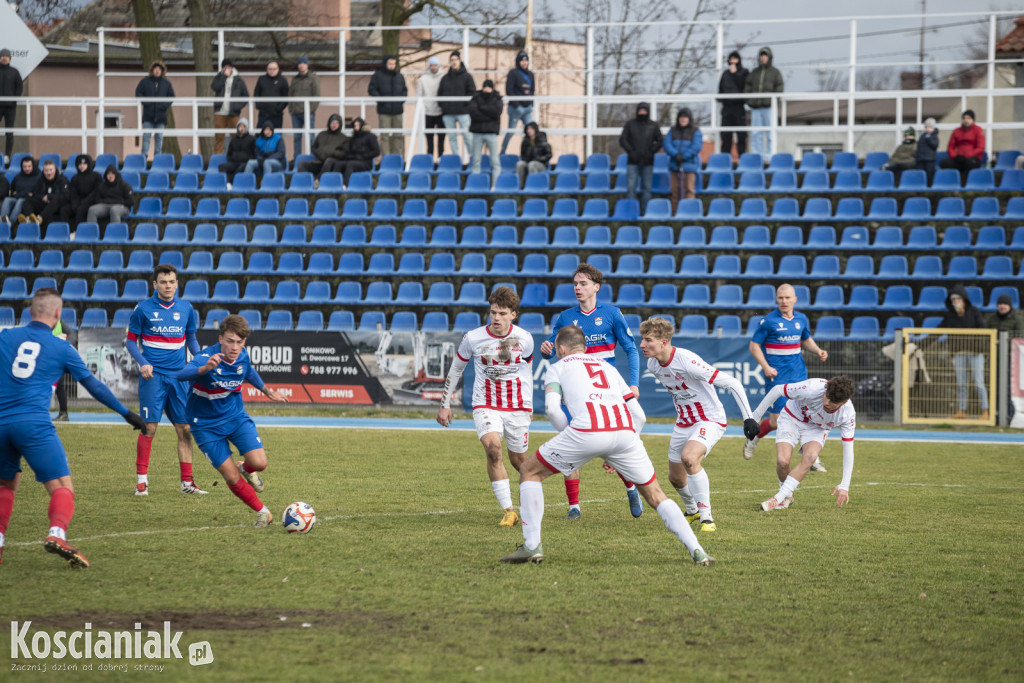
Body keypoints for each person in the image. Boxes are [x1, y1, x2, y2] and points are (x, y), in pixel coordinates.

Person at [501, 325, 714, 566]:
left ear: (561, 349)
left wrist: (570, 439)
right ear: (584, 347)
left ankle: (531, 546)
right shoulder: (608, 368)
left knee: (529, 471)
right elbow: (639, 414)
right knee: (656, 495)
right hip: (625, 433)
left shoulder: (557, 368)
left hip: (586, 430)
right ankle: (698, 550)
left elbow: (552, 409)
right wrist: (624, 445)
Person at [0, 289, 145, 568]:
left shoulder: (5, 337)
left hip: (1, 422)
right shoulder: (61, 347)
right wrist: (127, 414)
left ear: (30, 312)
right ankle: (57, 533)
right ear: (57, 315)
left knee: (6, 484)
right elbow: (95, 386)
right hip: (33, 425)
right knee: (63, 488)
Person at [540, 264, 642, 519]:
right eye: (575, 283)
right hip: (575, 393)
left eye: (583, 283)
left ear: (597, 287)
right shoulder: (565, 317)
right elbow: (553, 349)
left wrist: (634, 383)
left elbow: (631, 349)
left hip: (605, 391)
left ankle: (630, 486)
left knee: (616, 446)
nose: (577, 288)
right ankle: (574, 506)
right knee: (569, 443)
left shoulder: (612, 314)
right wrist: (545, 349)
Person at [638, 316, 756, 533]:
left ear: (664, 342)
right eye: (642, 339)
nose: (642, 345)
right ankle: (691, 510)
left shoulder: (687, 361)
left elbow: (733, 383)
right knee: (675, 477)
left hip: (710, 419)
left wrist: (748, 417)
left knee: (690, 459)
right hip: (683, 423)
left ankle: (707, 518)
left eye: (648, 340)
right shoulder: (653, 364)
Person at [176, 315, 288, 528]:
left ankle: (246, 468)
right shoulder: (207, 357)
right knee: (229, 474)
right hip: (205, 425)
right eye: (229, 341)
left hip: (235, 417)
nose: (234, 347)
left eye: (239, 342)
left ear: (244, 342)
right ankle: (263, 512)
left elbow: (248, 371)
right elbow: (182, 374)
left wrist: (266, 390)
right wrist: (204, 369)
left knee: (260, 463)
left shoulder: (242, 356)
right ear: (220, 339)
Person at [436, 287, 534, 527]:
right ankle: (509, 510)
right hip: (486, 403)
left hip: (517, 406)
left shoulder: (525, 338)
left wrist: (527, 405)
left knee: (520, 462)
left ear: (514, 314)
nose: (496, 318)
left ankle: (530, 507)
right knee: (493, 450)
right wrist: (444, 404)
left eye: (502, 313)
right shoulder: (473, 338)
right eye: (493, 313)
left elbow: (527, 371)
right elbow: (456, 369)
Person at [125, 263, 205, 496]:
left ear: (177, 284)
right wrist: (143, 362)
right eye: (163, 282)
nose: (168, 286)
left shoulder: (186, 308)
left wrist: (199, 358)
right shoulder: (142, 309)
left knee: (185, 429)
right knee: (149, 427)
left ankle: (187, 483)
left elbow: (190, 338)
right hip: (154, 377)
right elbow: (131, 341)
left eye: (172, 282)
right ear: (155, 284)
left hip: (180, 377)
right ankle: (142, 482)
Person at [744, 284, 829, 470]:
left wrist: (818, 351)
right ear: (776, 299)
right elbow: (754, 346)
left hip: (799, 374)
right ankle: (754, 438)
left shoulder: (801, 318)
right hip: (778, 377)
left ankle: (811, 457)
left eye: (787, 298)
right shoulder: (768, 321)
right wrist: (766, 367)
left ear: (795, 299)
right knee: (776, 421)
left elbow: (806, 339)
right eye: (781, 297)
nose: (784, 301)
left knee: (807, 414)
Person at [748, 376, 856, 512]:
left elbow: (848, 450)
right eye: (827, 396)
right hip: (791, 417)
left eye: (833, 401)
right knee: (783, 462)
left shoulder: (848, 414)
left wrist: (844, 485)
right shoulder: (813, 387)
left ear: (844, 402)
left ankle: (778, 498)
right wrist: (754, 417)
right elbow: (777, 390)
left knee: (811, 457)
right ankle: (787, 496)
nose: (827, 402)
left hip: (816, 428)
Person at [940, 285, 988, 420]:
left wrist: (982, 349)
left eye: (957, 298)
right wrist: (922, 344)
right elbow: (937, 330)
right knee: (961, 383)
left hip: (975, 353)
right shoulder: (949, 315)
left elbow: (983, 330)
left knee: (978, 382)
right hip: (959, 353)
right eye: (953, 299)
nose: (955, 301)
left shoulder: (974, 311)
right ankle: (961, 411)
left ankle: (985, 410)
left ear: (964, 299)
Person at [619, 102, 663, 214]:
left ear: (648, 112)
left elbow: (659, 140)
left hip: (648, 162)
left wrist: (651, 152)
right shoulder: (630, 124)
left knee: (647, 189)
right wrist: (631, 151)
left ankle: (645, 213)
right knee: (631, 189)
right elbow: (623, 139)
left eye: (644, 111)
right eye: (640, 110)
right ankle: (631, 212)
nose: (642, 113)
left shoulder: (653, 125)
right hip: (632, 161)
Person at [744, 47, 783, 162]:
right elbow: (747, 87)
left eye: (765, 56)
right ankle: (758, 156)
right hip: (756, 108)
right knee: (756, 133)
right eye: (762, 56)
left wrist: (772, 101)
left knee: (771, 132)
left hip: (769, 107)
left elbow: (779, 87)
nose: (763, 58)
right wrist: (750, 101)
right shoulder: (754, 73)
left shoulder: (775, 73)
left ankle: (770, 156)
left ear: (769, 57)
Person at [662, 107, 702, 212]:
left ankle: (689, 214)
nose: (683, 120)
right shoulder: (672, 131)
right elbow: (667, 144)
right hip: (674, 165)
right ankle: (675, 214)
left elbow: (696, 146)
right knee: (674, 192)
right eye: (681, 117)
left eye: (685, 118)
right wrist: (676, 155)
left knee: (689, 190)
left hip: (689, 166)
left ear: (689, 119)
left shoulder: (695, 131)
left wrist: (684, 156)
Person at [438, 51, 476, 161]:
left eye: (455, 60)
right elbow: (440, 94)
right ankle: (456, 159)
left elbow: (472, 93)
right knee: (452, 138)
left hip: (463, 112)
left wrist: (465, 105)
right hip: (448, 113)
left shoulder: (467, 77)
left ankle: (473, 159)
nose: (454, 62)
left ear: (460, 61)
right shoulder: (445, 78)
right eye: (452, 60)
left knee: (468, 136)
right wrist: (444, 106)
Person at [368, 55, 407, 157]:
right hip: (384, 110)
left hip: (398, 110)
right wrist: (381, 101)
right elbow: (372, 89)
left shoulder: (399, 76)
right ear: (385, 64)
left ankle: (398, 158)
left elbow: (404, 90)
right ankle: (386, 158)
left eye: (394, 64)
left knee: (398, 135)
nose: (392, 66)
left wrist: (401, 101)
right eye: (390, 64)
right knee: (384, 136)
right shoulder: (377, 75)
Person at [134, 61, 175, 158]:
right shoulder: (145, 82)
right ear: (152, 70)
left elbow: (171, 97)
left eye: (159, 69)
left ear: (162, 71)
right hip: (148, 115)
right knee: (146, 136)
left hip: (161, 116)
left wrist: (164, 106)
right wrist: (146, 103)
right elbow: (138, 93)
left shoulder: (166, 83)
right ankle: (144, 156)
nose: (157, 71)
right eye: (155, 69)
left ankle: (158, 157)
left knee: (159, 137)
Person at [210, 59, 249, 155]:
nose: (226, 68)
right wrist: (223, 77)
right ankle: (218, 157)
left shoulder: (239, 80)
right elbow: (214, 87)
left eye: (228, 67)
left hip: (234, 113)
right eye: (224, 67)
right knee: (219, 137)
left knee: (236, 136)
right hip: (220, 112)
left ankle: (237, 155)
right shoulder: (219, 77)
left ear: (232, 67)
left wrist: (237, 106)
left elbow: (246, 96)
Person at [468, 79, 503, 187]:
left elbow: (496, 113)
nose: (486, 88)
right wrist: (488, 114)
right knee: (476, 160)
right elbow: (473, 113)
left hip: (491, 133)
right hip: (477, 132)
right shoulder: (475, 98)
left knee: (495, 161)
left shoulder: (497, 99)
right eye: (485, 86)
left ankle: (495, 185)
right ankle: (475, 185)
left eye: (489, 86)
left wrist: (482, 108)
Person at [501, 51, 535, 155]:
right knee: (511, 132)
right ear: (518, 62)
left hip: (527, 108)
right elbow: (509, 90)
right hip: (515, 109)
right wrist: (517, 105)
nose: (524, 63)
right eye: (522, 61)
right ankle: (502, 152)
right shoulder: (513, 73)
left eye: (526, 60)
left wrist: (531, 104)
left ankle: (530, 153)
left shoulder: (530, 74)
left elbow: (532, 90)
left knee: (531, 132)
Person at [297, 114, 348, 178]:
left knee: (328, 161)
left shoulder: (344, 138)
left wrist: (331, 153)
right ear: (329, 123)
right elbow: (313, 148)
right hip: (318, 161)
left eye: (336, 123)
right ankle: (307, 183)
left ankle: (318, 181)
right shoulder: (321, 134)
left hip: (331, 163)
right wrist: (319, 153)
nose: (334, 125)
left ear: (340, 124)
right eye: (332, 122)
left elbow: (344, 153)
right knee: (301, 164)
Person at [22, 159, 70, 228]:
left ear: (55, 169)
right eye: (46, 170)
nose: (49, 173)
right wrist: (43, 197)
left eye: (51, 170)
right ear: (43, 171)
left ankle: (40, 218)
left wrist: (49, 197)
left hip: (58, 205)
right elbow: (34, 194)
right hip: (45, 204)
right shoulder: (41, 180)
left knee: (56, 199)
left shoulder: (62, 180)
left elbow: (66, 196)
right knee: (28, 200)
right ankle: (28, 220)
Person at [939, 110, 984, 183]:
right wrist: (956, 156)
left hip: (972, 158)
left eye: (968, 118)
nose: (966, 120)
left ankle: (966, 185)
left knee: (970, 163)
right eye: (964, 118)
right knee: (944, 163)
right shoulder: (956, 131)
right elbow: (950, 148)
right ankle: (952, 185)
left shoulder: (978, 130)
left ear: (973, 119)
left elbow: (980, 148)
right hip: (959, 159)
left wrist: (967, 156)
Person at [717, 50, 748, 157]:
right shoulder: (725, 74)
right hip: (727, 108)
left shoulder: (744, 72)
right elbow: (720, 89)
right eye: (731, 59)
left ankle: (742, 157)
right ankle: (724, 157)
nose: (733, 61)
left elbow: (744, 86)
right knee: (725, 134)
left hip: (739, 107)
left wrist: (735, 74)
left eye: (735, 58)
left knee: (741, 134)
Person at [289, 56, 320, 158]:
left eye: (303, 63)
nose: (301, 65)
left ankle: (312, 157)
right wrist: (291, 109)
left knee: (310, 136)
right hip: (295, 113)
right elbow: (290, 95)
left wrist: (310, 110)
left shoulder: (313, 78)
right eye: (300, 63)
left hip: (308, 113)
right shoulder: (295, 79)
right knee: (297, 137)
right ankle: (296, 159)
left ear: (307, 65)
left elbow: (316, 96)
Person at [416, 56, 445, 159]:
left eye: (435, 65)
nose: (433, 67)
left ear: (438, 66)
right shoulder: (422, 79)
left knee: (441, 138)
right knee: (429, 138)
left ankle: (441, 159)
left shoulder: (444, 77)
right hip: (428, 112)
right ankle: (430, 159)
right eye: (431, 65)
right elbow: (419, 96)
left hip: (441, 111)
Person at [0, 48, 24, 166]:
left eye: (6, 56)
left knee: (9, 132)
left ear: (9, 58)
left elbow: (19, 87)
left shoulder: (14, 72)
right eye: (2, 55)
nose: (4, 57)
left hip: (10, 107)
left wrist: (14, 100)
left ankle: (7, 156)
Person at [338, 117, 379, 185]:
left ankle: (345, 186)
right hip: (354, 160)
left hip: (366, 163)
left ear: (362, 125)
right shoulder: (353, 138)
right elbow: (350, 152)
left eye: (358, 125)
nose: (356, 127)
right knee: (338, 164)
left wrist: (363, 156)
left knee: (350, 164)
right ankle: (334, 185)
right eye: (355, 125)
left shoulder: (370, 136)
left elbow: (376, 151)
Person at [1, 155, 39, 224]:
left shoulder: (39, 176)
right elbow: (11, 190)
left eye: (29, 166)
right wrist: (13, 193)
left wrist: (20, 193)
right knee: (7, 199)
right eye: (25, 166)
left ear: (33, 166)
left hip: (27, 200)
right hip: (16, 197)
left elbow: (34, 192)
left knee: (20, 201)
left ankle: (10, 222)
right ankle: (3, 219)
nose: (27, 169)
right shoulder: (18, 176)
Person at [68, 154, 102, 230]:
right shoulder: (75, 178)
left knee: (81, 209)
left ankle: (76, 231)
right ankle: (65, 232)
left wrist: (84, 202)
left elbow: (96, 192)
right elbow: (73, 193)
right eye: (80, 164)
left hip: (91, 202)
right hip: (78, 203)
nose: (82, 166)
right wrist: (74, 204)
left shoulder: (96, 176)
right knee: (64, 210)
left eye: (84, 164)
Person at [218, 118, 255, 186]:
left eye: (244, 126)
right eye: (240, 126)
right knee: (221, 166)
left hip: (244, 162)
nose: (242, 128)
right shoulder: (233, 140)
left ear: (246, 128)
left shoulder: (252, 139)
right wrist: (233, 158)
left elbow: (254, 154)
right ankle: (226, 183)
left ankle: (230, 182)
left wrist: (247, 158)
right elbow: (229, 154)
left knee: (241, 168)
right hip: (234, 162)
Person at [253, 60, 289, 130]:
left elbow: (286, 96)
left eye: (274, 69)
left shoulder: (282, 80)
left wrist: (279, 108)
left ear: (278, 69)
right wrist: (259, 106)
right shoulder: (261, 79)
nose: (272, 71)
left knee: (277, 135)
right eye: (270, 69)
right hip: (263, 114)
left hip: (276, 115)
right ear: (267, 69)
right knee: (259, 134)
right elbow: (256, 93)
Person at [515, 121, 551, 185]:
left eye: (531, 128)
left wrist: (539, 158)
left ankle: (533, 185)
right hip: (528, 163)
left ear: (535, 129)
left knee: (532, 164)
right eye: (527, 129)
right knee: (520, 164)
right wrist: (526, 159)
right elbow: (522, 155)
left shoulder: (542, 140)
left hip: (541, 165)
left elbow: (549, 155)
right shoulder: (525, 142)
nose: (529, 130)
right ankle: (519, 186)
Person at [51, 317, 71, 423]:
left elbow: (72, 335)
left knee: (59, 385)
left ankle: (64, 413)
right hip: (43, 358)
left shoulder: (61, 323)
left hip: (57, 358)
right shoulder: (41, 322)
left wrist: (66, 343)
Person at [916, 117, 939, 184]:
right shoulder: (922, 136)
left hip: (930, 159)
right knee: (921, 175)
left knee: (930, 174)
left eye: (929, 127)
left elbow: (935, 145)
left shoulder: (934, 136)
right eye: (926, 127)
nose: (927, 129)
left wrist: (929, 139)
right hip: (921, 159)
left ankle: (930, 188)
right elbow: (919, 146)